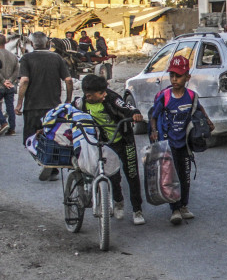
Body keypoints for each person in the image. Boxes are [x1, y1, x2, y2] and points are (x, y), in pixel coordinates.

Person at [149, 55, 215, 225]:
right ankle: (175, 209)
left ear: (187, 77)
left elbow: (199, 110)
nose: (174, 79)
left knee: (185, 176)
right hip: (168, 143)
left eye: (178, 76)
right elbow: (154, 116)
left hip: (184, 143)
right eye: (172, 75)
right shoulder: (165, 96)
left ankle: (184, 205)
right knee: (171, 177)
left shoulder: (192, 96)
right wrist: (154, 131)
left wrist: (208, 122)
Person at [74, 74, 146, 225]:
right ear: (89, 95)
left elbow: (128, 108)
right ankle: (118, 200)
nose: (104, 94)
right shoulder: (81, 104)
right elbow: (68, 110)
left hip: (124, 140)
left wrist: (135, 114)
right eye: (101, 93)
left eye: (104, 92)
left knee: (131, 173)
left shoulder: (112, 98)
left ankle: (137, 210)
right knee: (112, 174)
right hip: (105, 143)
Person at [15, 31, 73, 180]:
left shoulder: (26, 58)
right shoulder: (57, 58)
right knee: (52, 136)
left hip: (32, 106)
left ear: (32, 44)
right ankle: (52, 165)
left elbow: (24, 81)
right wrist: (68, 100)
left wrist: (19, 103)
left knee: (29, 139)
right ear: (48, 44)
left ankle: (43, 161)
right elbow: (68, 80)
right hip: (54, 107)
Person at [0, 34, 20, 136]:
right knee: (10, 107)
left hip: (1, 85)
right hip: (10, 87)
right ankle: (12, 129)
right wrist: (10, 81)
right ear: (6, 42)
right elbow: (17, 71)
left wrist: (3, 81)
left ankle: (3, 123)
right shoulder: (13, 56)